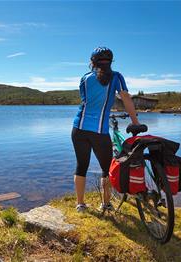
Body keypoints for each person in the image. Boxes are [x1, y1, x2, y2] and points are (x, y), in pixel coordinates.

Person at [72, 47, 140, 212]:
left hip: (78, 128)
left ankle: (80, 204)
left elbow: (86, 101)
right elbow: (126, 99)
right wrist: (135, 121)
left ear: (92, 62)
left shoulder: (85, 78)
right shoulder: (116, 77)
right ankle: (106, 204)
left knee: (81, 166)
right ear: (111, 62)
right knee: (106, 167)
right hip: (100, 132)